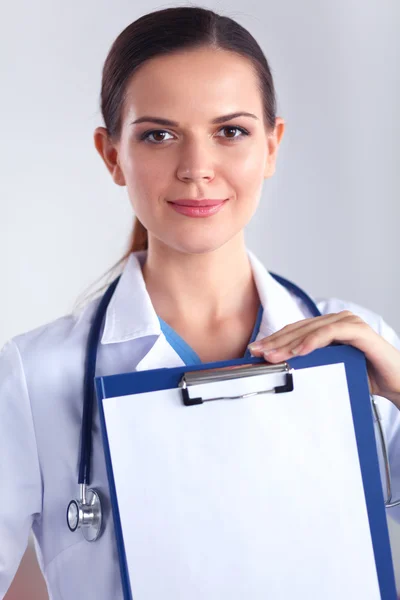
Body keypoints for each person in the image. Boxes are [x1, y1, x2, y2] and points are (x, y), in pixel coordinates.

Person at [1, 5, 400, 599]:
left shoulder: (360, 344)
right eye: (158, 135)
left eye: (230, 131)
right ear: (112, 155)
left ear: (272, 145)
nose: (196, 169)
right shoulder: (34, 377)